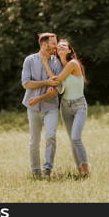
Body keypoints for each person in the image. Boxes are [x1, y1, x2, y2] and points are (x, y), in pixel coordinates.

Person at [40, 39, 91, 177]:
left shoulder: (73, 64)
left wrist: (44, 62)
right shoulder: (58, 67)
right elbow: (57, 84)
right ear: (57, 50)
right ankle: (80, 171)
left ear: (69, 50)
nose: (61, 47)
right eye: (59, 46)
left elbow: (56, 80)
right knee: (72, 140)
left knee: (76, 138)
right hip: (65, 106)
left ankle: (86, 169)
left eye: (64, 45)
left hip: (79, 105)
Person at [21, 33, 62, 178]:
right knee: (34, 141)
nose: (56, 46)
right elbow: (26, 84)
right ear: (44, 44)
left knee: (50, 136)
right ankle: (35, 171)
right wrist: (46, 82)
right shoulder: (29, 60)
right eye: (53, 43)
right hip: (32, 108)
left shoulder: (56, 62)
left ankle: (47, 170)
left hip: (51, 106)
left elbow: (56, 86)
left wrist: (49, 85)